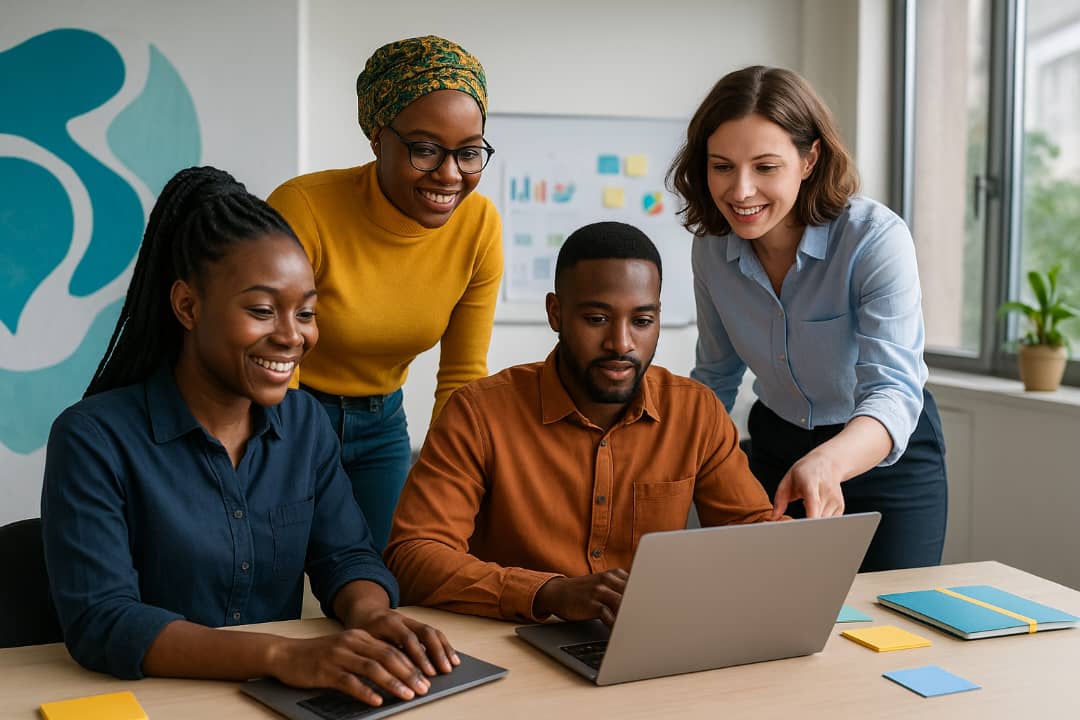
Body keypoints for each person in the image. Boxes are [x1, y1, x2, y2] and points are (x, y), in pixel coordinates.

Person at [42, 167, 458, 706]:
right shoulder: (93, 438)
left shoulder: (306, 426)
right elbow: (104, 619)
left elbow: (347, 558)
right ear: (187, 306)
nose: (292, 336)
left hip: (275, 703)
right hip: (155, 703)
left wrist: (375, 618)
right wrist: (283, 656)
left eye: (306, 311)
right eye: (262, 310)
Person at [384, 222, 779, 624]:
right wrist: (548, 593)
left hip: (643, 640)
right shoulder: (478, 413)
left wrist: (810, 543)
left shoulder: (695, 413)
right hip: (513, 642)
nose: (621, 343)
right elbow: (414, 556)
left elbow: (754, 535)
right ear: (556, 313)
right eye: (596, 319)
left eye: (642, 321)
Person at [667, 65, 947, 571]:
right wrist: (665, 462)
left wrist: (830, 461)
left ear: (809, 159)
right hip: (777, 449)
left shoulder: (873, 239)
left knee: (891, 626)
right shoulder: (711, 249)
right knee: (778, 621)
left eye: (766, 167)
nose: (741, 191)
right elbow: (716, 376)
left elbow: (895, 390)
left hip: (883, 451)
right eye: (722, 166)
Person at [268, 36, 503, 550]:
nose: (449, 174)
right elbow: (274, 347)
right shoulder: (304, 207)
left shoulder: (479, 225)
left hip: (382, 424)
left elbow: (462, 375)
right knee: (273, 578)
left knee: (385, 577)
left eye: (468, 153)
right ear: (378, 139)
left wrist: (452, 482)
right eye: (424, 149)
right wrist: (282, 446)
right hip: (287, 409)